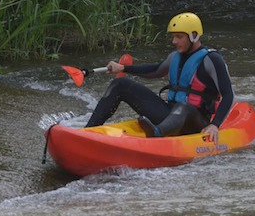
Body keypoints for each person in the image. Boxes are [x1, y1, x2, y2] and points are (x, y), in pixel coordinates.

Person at [85, 12, 234, 142]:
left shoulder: (212, 59)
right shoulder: (174, 56)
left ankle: (157, 133)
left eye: (179, 37)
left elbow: (228, 95)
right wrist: (123, 68)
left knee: (184, 106)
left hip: (196, 122)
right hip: (170, 115)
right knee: (120, 84)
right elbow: (155, 70)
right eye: (173, 37)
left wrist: (215, 125)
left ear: (194, 36)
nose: (174, 41)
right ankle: (87, 131)